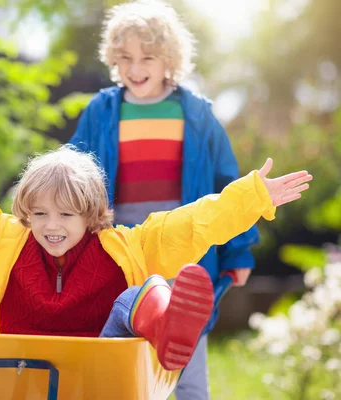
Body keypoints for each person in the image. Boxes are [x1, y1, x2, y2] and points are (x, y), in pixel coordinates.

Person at [0, 107, 311, 372]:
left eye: (66, 214)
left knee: (140, 293)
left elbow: (194, 223)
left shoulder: (126, 245)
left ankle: (167, 324)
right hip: (13, 351)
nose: (52, 225)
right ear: (25, 213)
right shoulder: (5, 238)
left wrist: (252, 195)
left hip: (101, 353)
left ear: (91, 215)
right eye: (39, 214)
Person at [68, 0, 257, 396]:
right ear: (112, 59)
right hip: (120, 243)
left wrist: (238, 252)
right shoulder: (101, 111)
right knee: (123, 332)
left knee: (185, 336)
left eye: (147, 57)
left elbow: (228, 185)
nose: (135, 69)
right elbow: (72, 174)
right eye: (125, 58)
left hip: (184, 239)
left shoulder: (195, 113)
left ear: (168, 58)